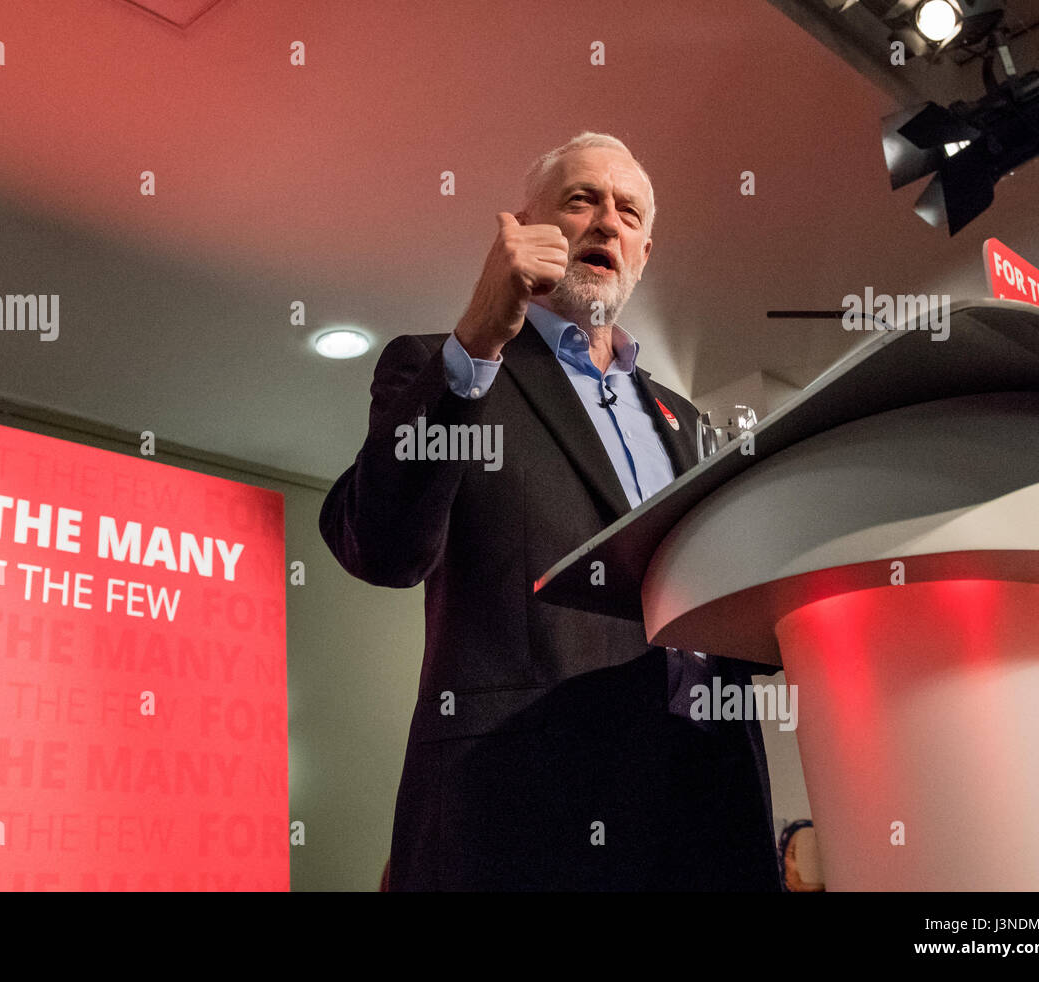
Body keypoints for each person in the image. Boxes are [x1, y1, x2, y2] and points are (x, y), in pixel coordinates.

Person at [321, 132, 780, 891]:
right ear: (526, 224)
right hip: (527, 820)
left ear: (644, 252)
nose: (607, 222)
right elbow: (380, 547)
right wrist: (476, 343)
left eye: (628, 212)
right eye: (582, 200)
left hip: (709, 815)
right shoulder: (448, 368)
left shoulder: (686, 421)